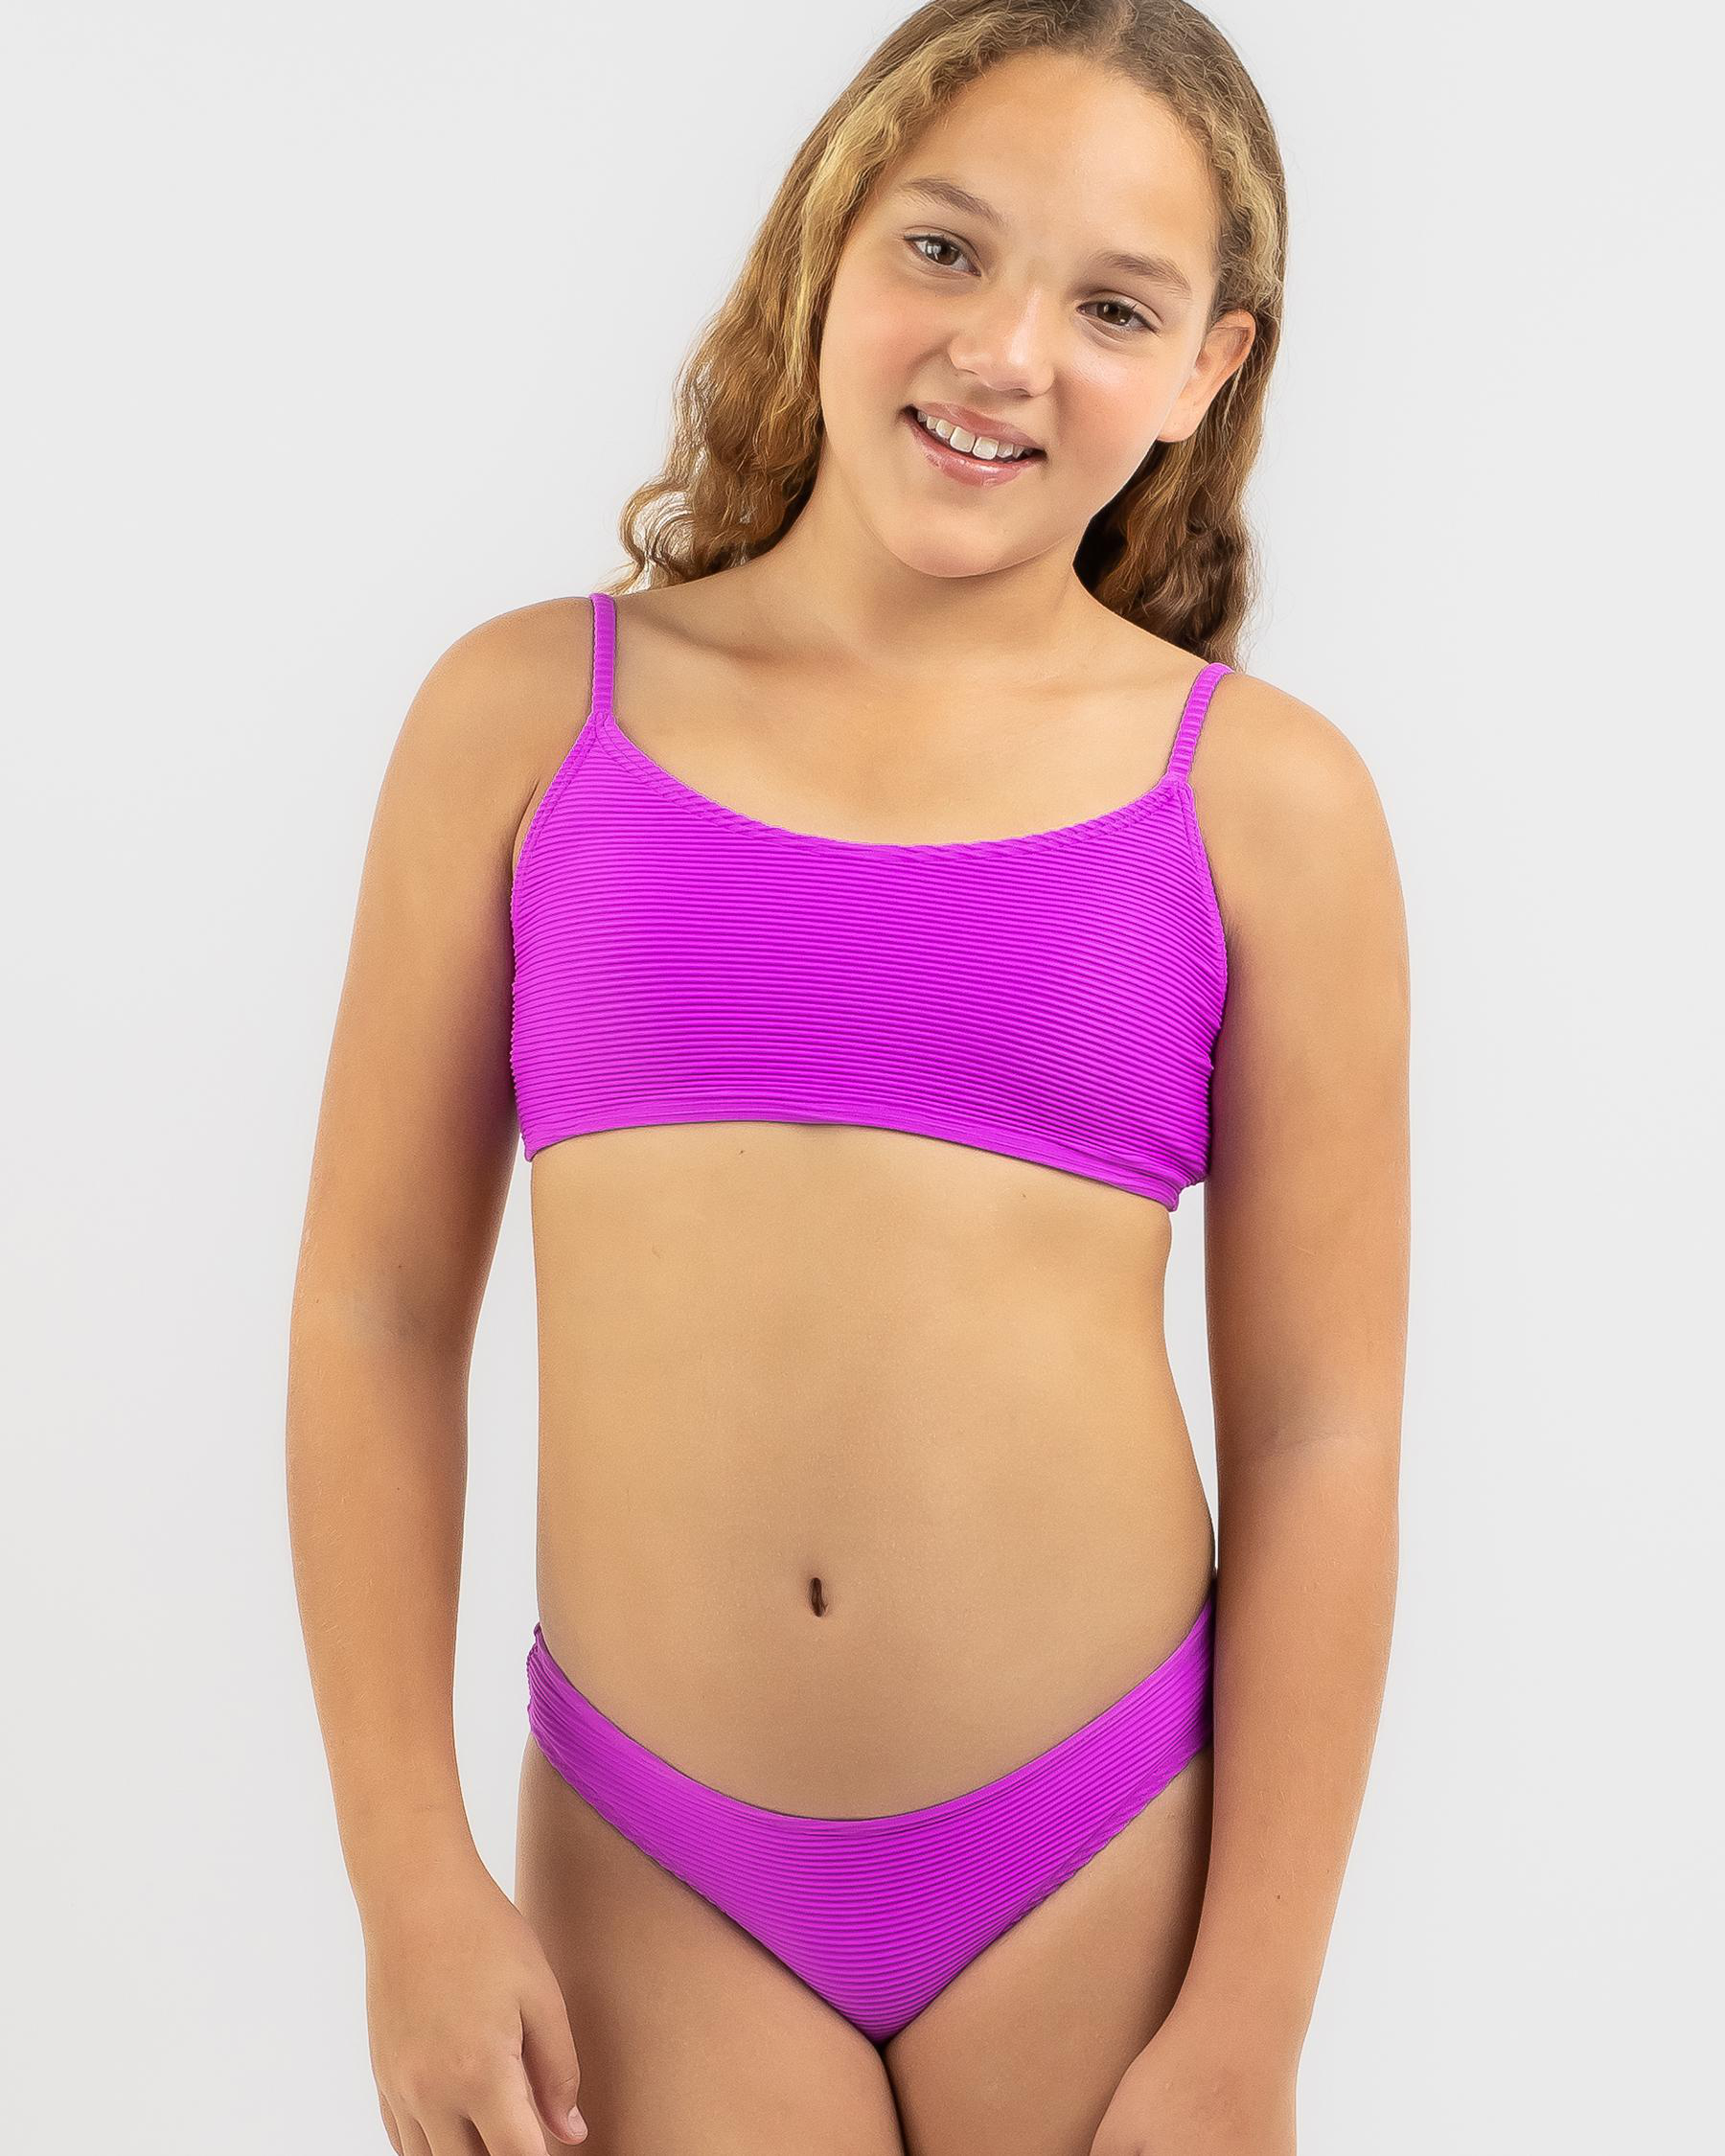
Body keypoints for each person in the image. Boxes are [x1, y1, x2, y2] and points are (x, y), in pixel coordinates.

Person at [287, 4, 1410, 2152]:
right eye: (947, 248)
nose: (1005, 353)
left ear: (1207, 372)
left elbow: (1321, 1432)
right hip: (656, 1861)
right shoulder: (525, 720)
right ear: (828, 240)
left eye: (1112, 307)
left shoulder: (1266, 803)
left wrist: (1251, 2017)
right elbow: (375, 1312)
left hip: (1104, 1853)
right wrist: (407, 1881)